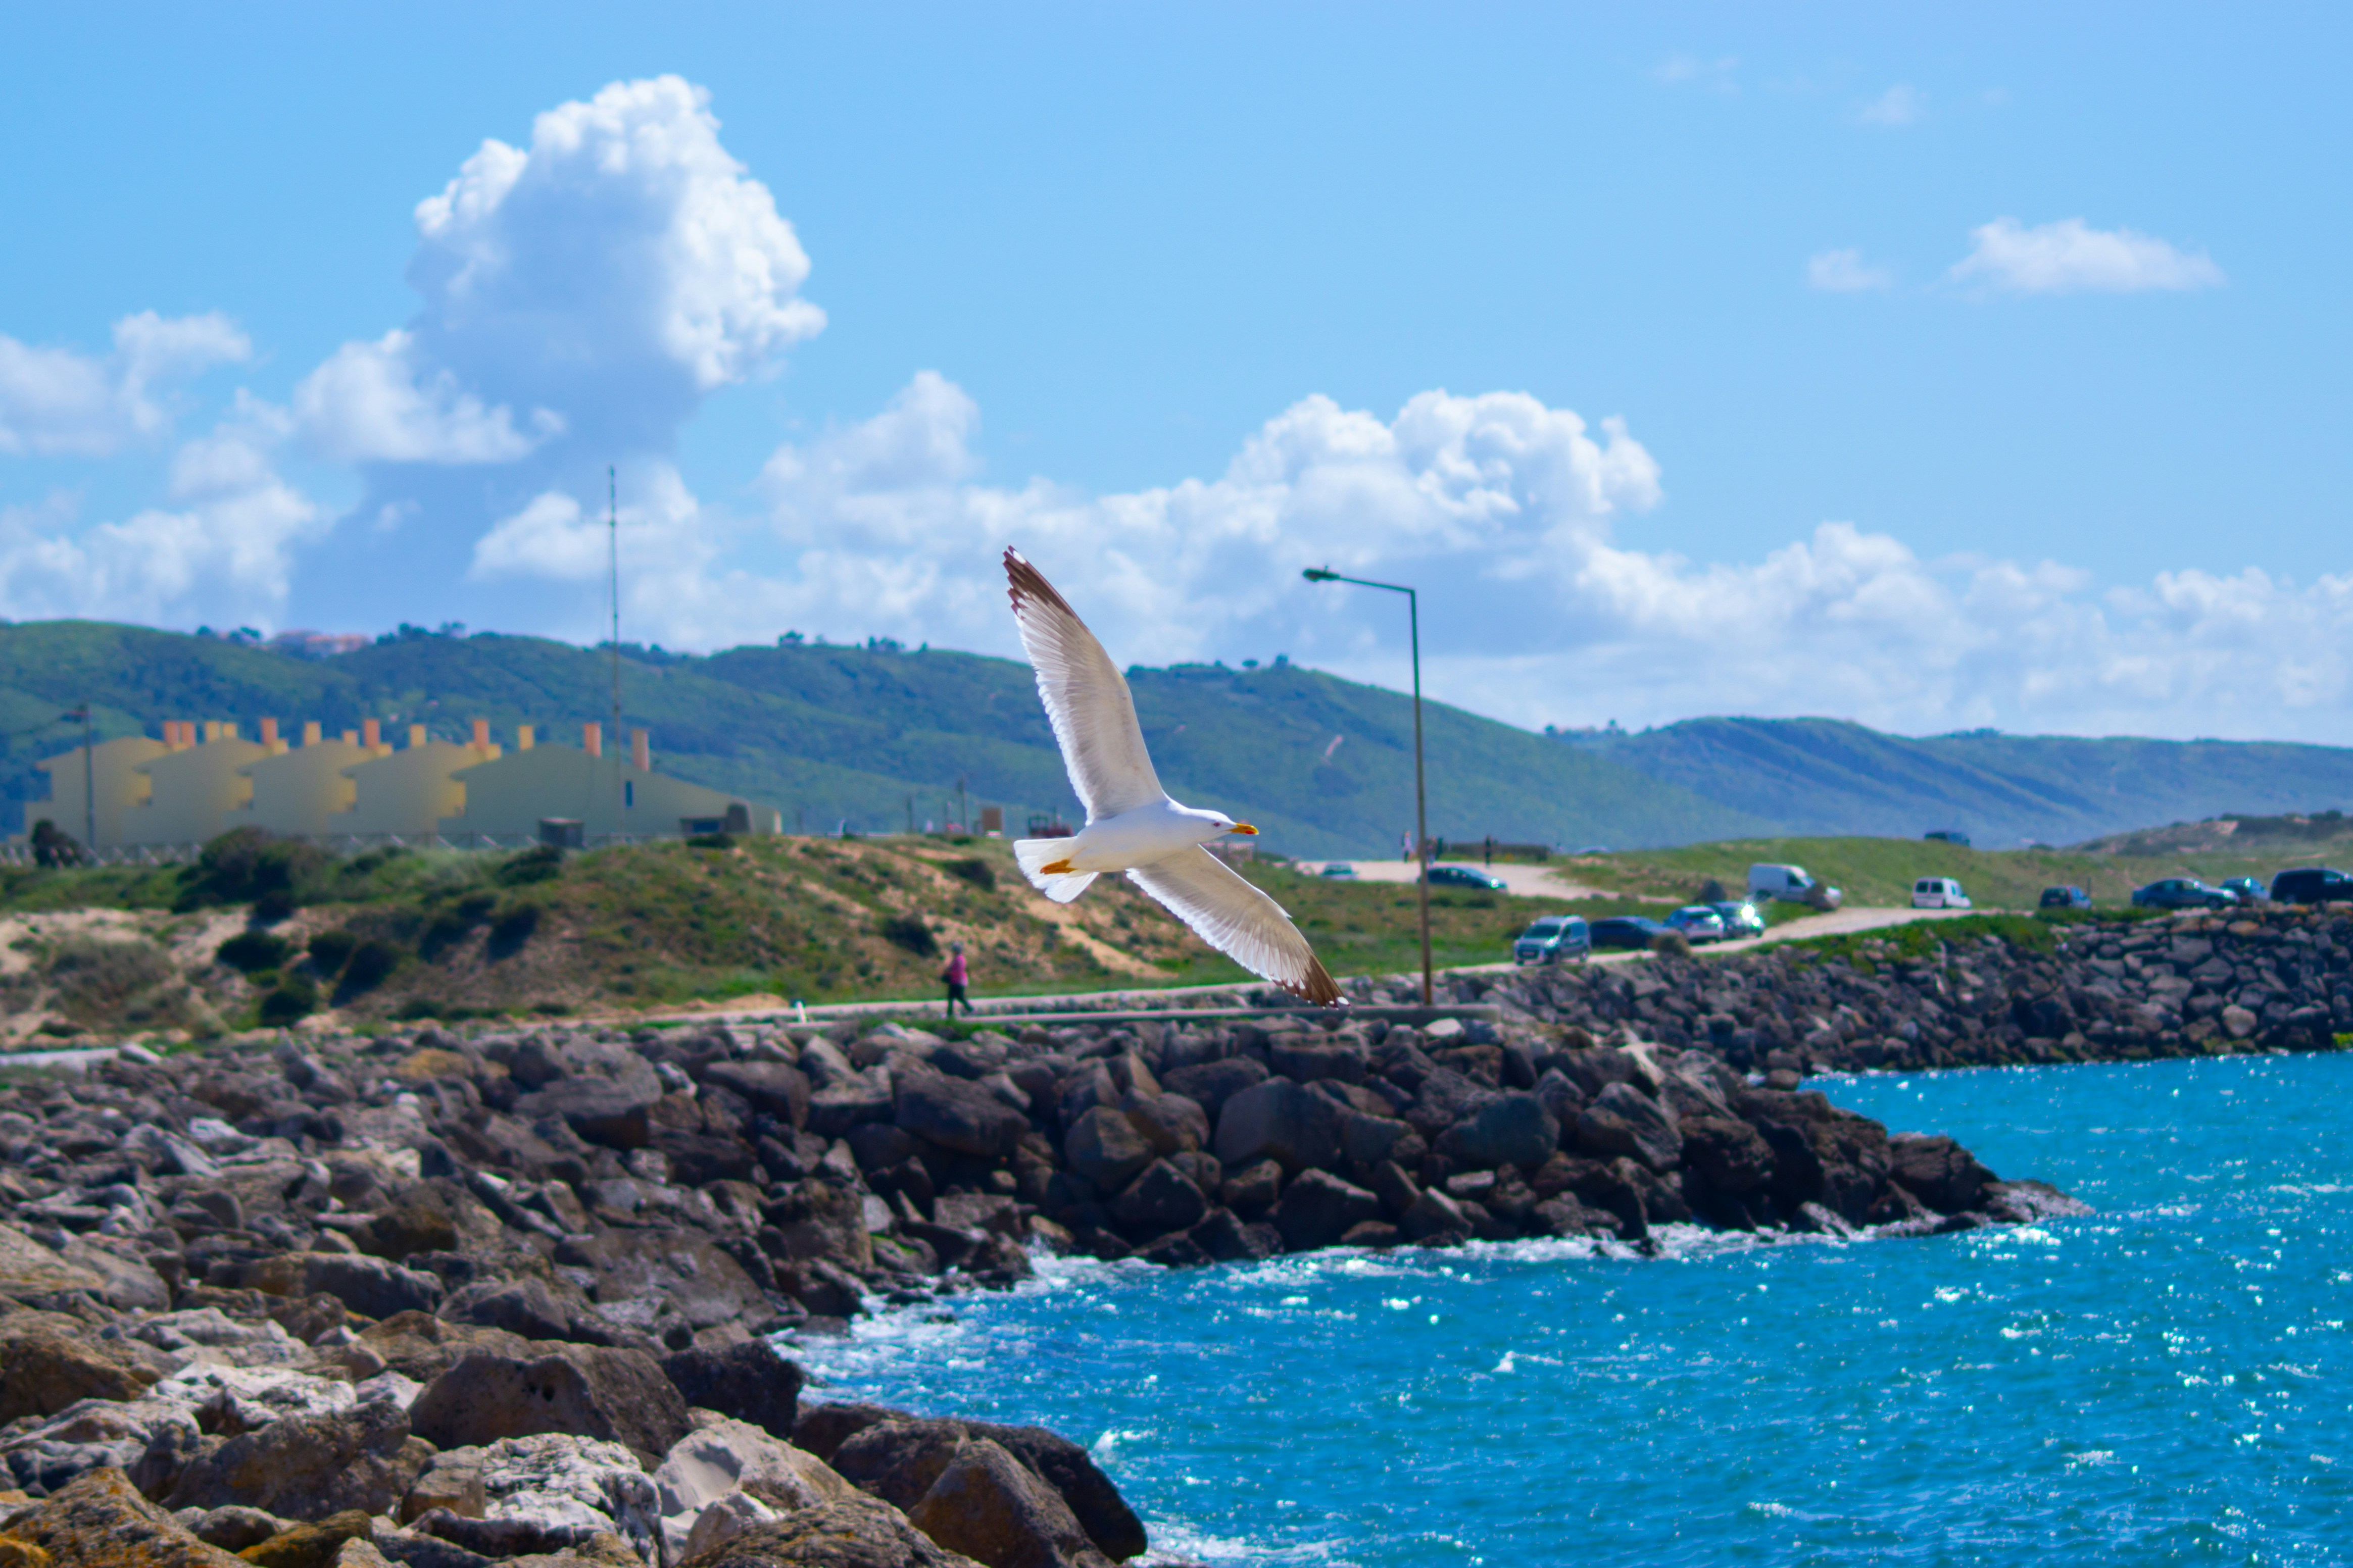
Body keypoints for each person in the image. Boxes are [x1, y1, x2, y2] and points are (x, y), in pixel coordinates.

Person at [942, 941, 972, 1017]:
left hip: (958, 982)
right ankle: (969, 1009)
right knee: (956, 997)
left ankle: (951, 1013)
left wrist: (948, 974)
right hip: (958, 981)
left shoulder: (959, 960)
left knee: (954, 997)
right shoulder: (959, 959)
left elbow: (957, 971)